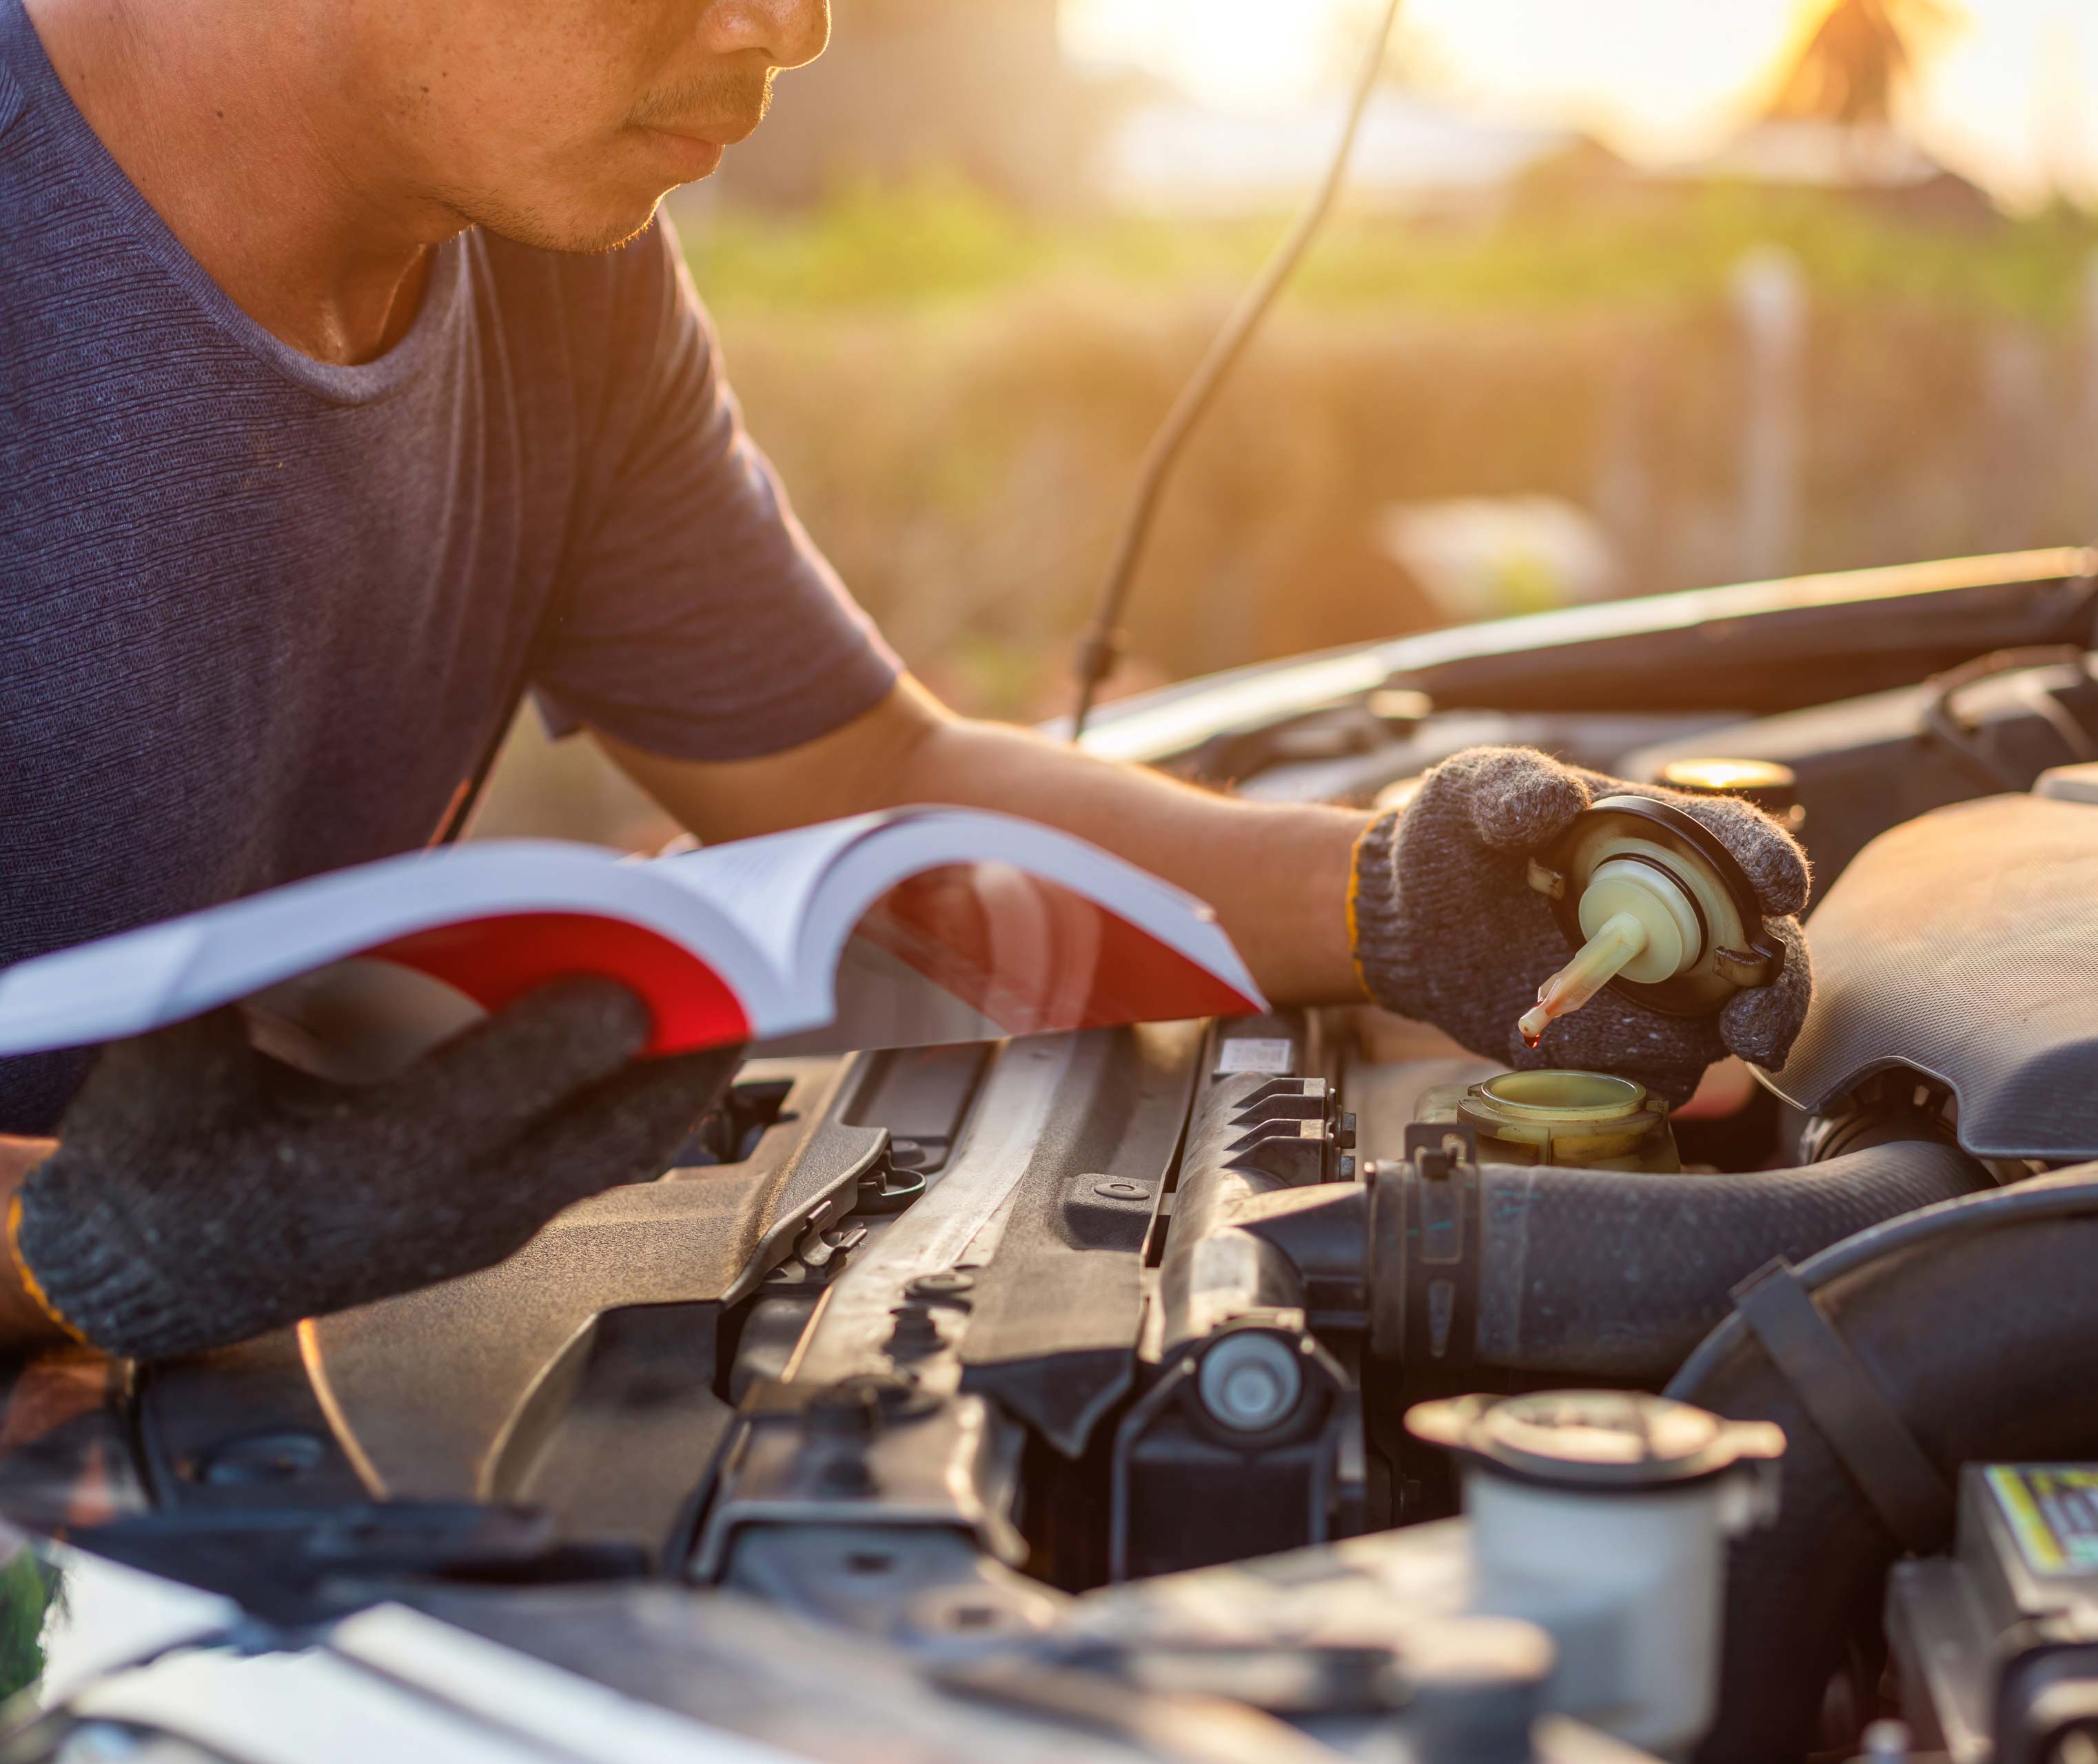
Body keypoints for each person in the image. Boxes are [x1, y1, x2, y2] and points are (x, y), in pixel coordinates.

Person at [0, 0, 1812, 1361]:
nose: (793, 27)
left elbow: (865, 777)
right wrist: (78, 1249)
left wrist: (1401, 901)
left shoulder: (561, 283)